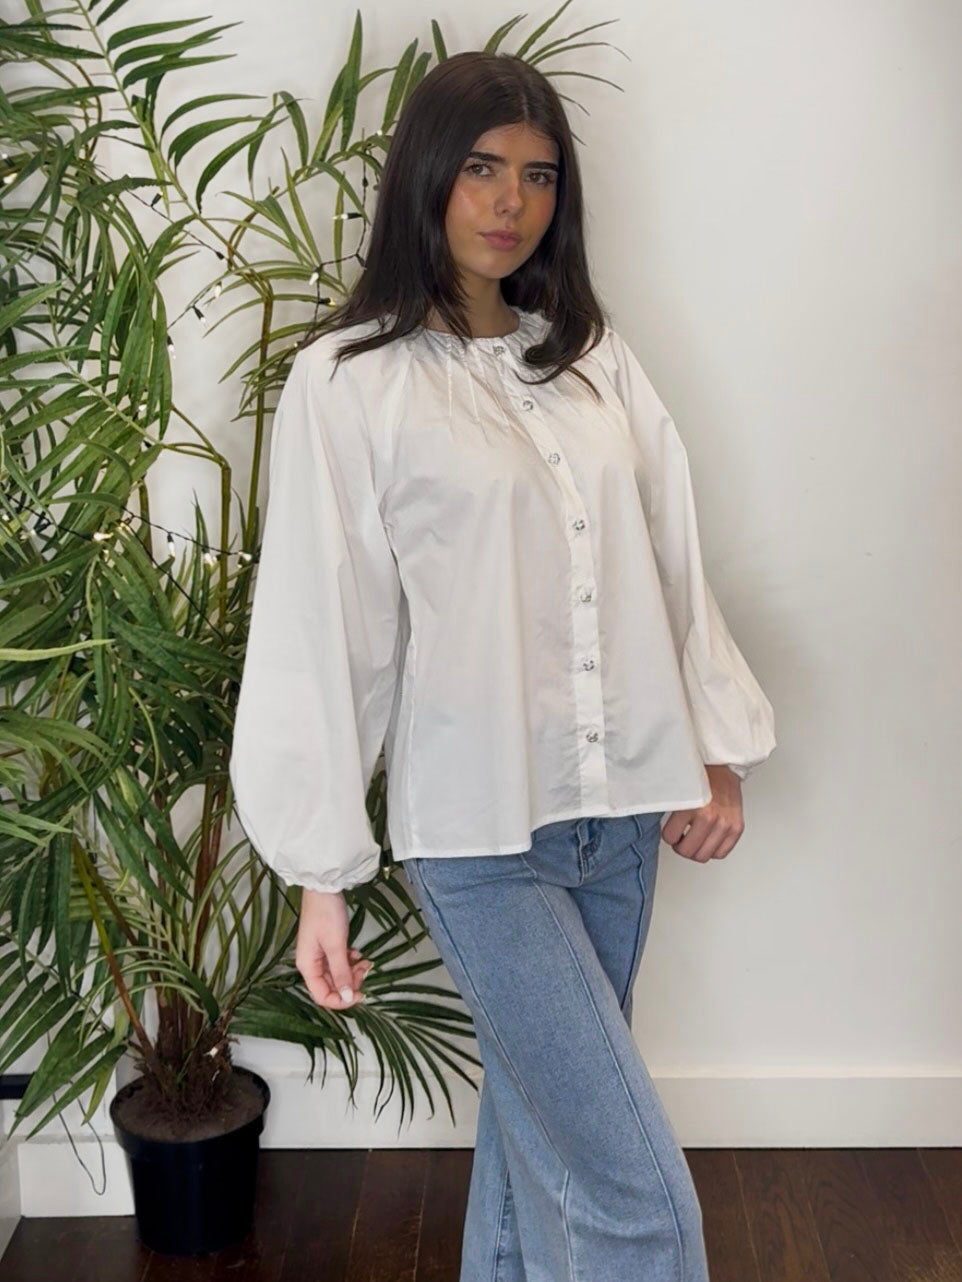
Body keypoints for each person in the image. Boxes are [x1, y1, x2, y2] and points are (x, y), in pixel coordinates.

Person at [229, 49, 776, 1282]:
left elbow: (668, 553)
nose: (508, 202)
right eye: (480, 168)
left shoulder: (587, 356)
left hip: (620, 820)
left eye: (537, 175)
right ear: (425, 174)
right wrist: (321, 874)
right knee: (636, 1199)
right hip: (477, 836)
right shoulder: (348, 381)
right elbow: (325, 626)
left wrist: (713, 750)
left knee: (547, 1150)